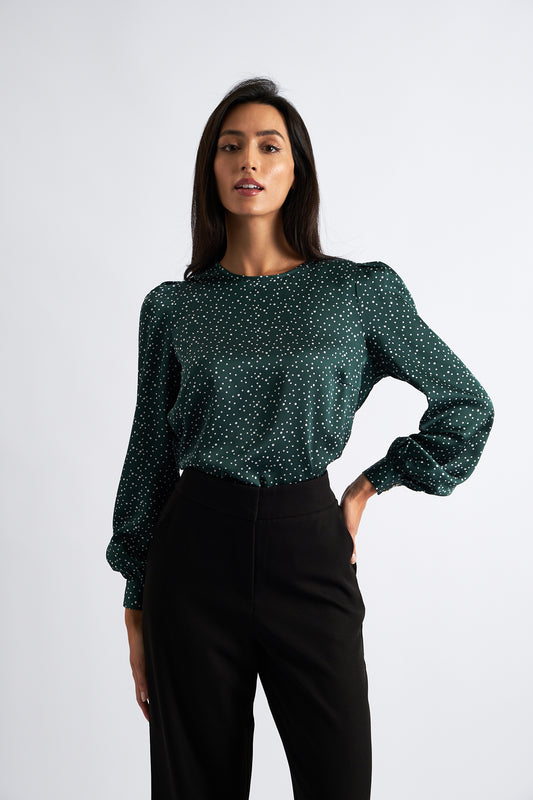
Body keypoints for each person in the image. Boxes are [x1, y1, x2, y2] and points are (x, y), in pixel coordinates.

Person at [106, 77, 495, 800]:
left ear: (296, 169)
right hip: (192, 558)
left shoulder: (356, 292)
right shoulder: (174, 308)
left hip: (309, 546)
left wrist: (368, 486)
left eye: (268, 146)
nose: (248, 161)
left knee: (338, 779)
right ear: (210, 169)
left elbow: (465, 404)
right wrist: (135, 602)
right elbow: (149, 455)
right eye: (230, 147)